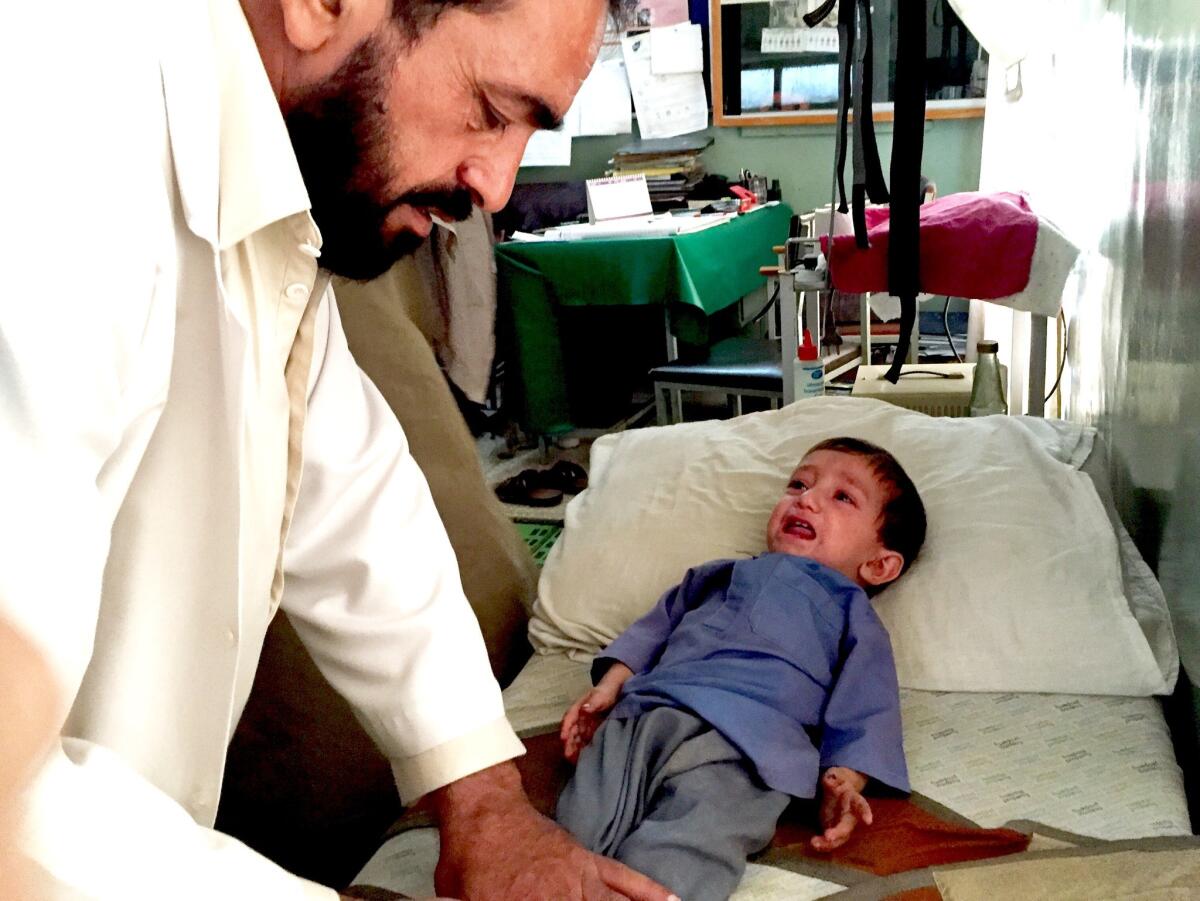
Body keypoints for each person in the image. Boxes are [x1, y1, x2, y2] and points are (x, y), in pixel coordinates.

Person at [1, 1, 676, 899]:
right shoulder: (53, 132)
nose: (497, 188)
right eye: (491, 107)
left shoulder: (266, 167)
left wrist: (483, 801)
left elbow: (348, 492)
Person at [556, 438, 928, 901]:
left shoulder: (851, 611)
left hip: (749, 743)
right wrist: (609, 688)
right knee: (575, 829)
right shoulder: (718, 574)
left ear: (878, 564)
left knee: (697, 833)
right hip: (644, 714)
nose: (805, 499)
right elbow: (653, 631)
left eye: (841, 497)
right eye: (799, 484)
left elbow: (868, 701)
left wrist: (846, 779)